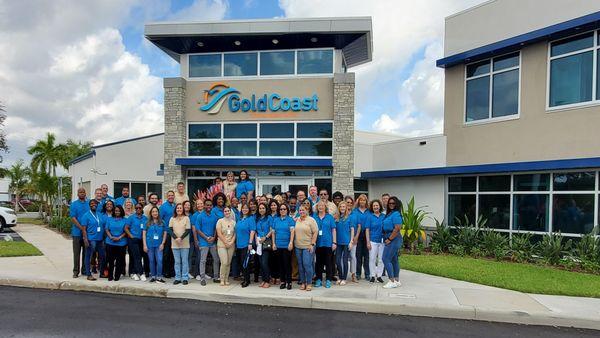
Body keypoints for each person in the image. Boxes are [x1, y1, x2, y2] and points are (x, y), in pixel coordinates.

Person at [196, 199, 220, 285]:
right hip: (203, 242)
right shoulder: (200, 216)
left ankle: (216, 277)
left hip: (212, 242)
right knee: (203, 260)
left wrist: (214, 237)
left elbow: (216, 228)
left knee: (216, 259)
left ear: (212, 206)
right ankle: (202, 278)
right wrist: (206, 238)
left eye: (210, 205)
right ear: (204, 206)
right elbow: (198, 230)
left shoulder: (214, 216)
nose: (208, 206)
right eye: (207, 205)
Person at [294, 204, 318, 291]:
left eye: (303, 210)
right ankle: (303, 282)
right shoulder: (296, 220)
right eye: (300, 210)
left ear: (307, 211)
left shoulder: (311, 220)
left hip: (308, 246)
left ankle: (309, 283)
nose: (301, 212)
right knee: (300, 265)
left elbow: (315, 232)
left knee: (307, 265)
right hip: (298, 246)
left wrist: (312, 244)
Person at [272, 203, 295, 290]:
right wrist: (274, 243)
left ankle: (289, 282)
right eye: (281, 209)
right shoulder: (276, 220)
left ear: (287, 210)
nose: (282, 211)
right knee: (280, 264)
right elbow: (273, 233)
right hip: (278, 245)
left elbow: (292, 232)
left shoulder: (290, 220)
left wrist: (291, 242)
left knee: (287, 264)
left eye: (284, 209)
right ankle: (283, 281)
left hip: (287, 246)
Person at [313, 200, 336, 288]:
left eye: (322, 205)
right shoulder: (314, 217)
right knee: (318, 263)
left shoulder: (329, 217)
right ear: (317, 207)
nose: (321, 207)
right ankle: (318, 279)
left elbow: (333, 230)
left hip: (328, 243)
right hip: (318, 243)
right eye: (319, 205)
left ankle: (328, 280)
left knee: (328, 263)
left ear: (325, 207)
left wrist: (334, 242)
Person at [382, 196, 403, 289]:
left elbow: (397, 228)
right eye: (389, 203)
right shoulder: (390, 213)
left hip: (393, 238)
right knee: (394, 260)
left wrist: (389, 239)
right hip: (390, 237)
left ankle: (391, 280)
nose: (391, 205)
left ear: (396, 204)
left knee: (385, 258)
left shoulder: (396, 214)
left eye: (393, 203)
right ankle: (397, 280)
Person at [81, 199, 104, 281]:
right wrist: (85, 239)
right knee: (89, 256)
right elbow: (84, 229)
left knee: (102, 256)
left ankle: (101, 273)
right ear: (89, 205)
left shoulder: (100, 214)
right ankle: (88, 274)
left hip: (100, 239)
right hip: (91, 239)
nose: (93, 204)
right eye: (91, 203)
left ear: (97, 205)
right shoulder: (86, 215)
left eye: (94, 203)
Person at [69, 187, 89, 278]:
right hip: (77, 233)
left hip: (87, 233)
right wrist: (81, 228)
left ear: (85, 193)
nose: (82, 193)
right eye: (80, 192)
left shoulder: (89, 203)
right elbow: (73, 218)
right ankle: (75, 271)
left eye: (83, 192)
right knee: (76, 253)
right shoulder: (73, 204)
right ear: (77, 194)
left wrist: (85, 229)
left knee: (86, 252)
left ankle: (84, 270)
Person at [170, 203, 191, 285]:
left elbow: (188, 230)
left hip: (184, 243)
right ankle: (178, 277)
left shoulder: (186, 218)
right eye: (177, 208)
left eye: (180, 208)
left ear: (183, 210)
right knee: (177, 261)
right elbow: (170, 230)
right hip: (175, 244)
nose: (179, 209)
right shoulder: (172, 219)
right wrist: (176, 238)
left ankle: (185, 277)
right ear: (175, 209)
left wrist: (181, 238)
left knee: (185, 261)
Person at [143, 206, 166, 283]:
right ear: (151, 213)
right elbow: (144, 234)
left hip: (159, 245)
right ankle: (153, 276)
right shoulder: (147, 222)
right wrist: (144, 245)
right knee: (151, 261)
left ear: (158, 213)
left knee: (159, 260)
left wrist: (163, 243)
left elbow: (165, 233)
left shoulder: (162, 222)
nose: (155, 213)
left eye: (156, 211)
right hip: (150, 245)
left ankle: (159, 277)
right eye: (153, 212)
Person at [104, 205, 128, 281]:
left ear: (121, 211)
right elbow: (107, 229)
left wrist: (119, 237)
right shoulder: (109, 219)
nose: (117, 212)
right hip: (110, 242)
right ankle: (110, 275)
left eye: (118, 210)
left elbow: (126, 231)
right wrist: (111, 236)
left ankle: (117, 275)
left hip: (121, 243)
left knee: (119, 260)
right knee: (110, 260)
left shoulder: (125, 220)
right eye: (116, 210)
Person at [125, 203, 147, 281]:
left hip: (141, 240)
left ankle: (133, 272)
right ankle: (141, 273)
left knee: (138, 256)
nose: (138, 209)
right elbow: (126, 228)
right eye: (136, 208)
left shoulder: (145, 218)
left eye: (139, 208)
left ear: (142, 209)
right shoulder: (131, 217)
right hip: (133, 240)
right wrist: (131, 236)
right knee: (136, 256)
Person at [235, 204, 256, 288]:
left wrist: (250, 243)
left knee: (245, 263)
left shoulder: (250, 219)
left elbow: (252, 231)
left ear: (249, 209)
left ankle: (247, 280)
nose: (245, 209)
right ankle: (244, 278)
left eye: (246, 208)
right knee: (241, 263)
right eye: (243, 208)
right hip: (238, 244)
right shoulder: (239, 219)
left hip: (246, 244)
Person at [365, 200, 385, 284]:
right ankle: (373, 276)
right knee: (372, 259)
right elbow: (367, 230)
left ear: (380, 206)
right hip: (373, 241)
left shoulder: (384, 216)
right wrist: (368, 242)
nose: (376, 207)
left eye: (377, 205)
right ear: (372, 208)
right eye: (374, 206)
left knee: (381, 259)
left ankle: (379, 276)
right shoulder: (370, 217)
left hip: (383, 241)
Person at [216, 207, 236, 286]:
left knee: (228, 263)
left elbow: (235, 234)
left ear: (230, 212)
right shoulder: (220, 221)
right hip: (222, 244)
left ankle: (227, 279)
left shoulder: (234, 222)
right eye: (225, 211)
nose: (227, 212)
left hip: (231, 244)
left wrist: (231, 242)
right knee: (224, 262)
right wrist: (225, 242)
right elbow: (219, 233)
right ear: (223, 212)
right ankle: (222, 279)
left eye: (228, 211)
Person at [335, 201, 354, 286]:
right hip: (338, 242)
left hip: (347, 242)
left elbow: (352, 230)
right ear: (339, 208)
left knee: (345, 260)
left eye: (344, 207)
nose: (342, 208)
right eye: (341, 207)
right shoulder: (336, 218)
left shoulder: (349, 217)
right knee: (337, 260)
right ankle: (340, 276)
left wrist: (351, 242)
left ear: (346, 208)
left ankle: (344, 278)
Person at [352, 194, 370, 281]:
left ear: (366, 201)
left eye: (364, 200)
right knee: (358, 255)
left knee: (367, 256)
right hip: (357, 235)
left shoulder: (369, 211)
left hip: (367, 235)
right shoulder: (355, 211)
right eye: (361, 200)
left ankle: (367, 273)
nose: (362, 201)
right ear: (358, 201)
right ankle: (358, 273)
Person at [255, 203, 273, 288]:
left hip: (266, 242)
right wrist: (257, 239)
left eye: (263, 208)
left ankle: (267, 281)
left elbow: (272, 230)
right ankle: (263, 280)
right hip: (258, 243)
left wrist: (265, 237)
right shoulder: (257, 219)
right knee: (261, 263)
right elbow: (255, 230)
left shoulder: (269, 218)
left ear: (266, 209)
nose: (261, 210)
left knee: (264, 262)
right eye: (260, 208)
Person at [160, 191, 176, 278]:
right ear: (167, 196)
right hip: (166, 233)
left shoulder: (175, 206)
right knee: (166, 253)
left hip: (175, 233)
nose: (171, 197)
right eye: (169, 195)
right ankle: (165, 271)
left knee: (173, 253)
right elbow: (160, 220)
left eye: (172, 195)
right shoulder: (163, 207)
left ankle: (172, 271)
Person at [345, 196, 358, 283]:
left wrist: (356, 237)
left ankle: (353, 275)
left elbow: (359, 226)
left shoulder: (355, 214)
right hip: (343, 238)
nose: (349, 204)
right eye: (347, 202)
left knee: (353, 256)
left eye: (350, 202)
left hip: (353, 238)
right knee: (343, 257)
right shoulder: (341, 213)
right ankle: (343, 274)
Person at [268, 199, 280, 284]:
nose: (273, 206)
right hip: (269, 240)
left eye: (275, 205)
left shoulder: (279, 215)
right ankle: (272, 276)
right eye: (271, 205)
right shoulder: (268, 215)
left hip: (277, 239)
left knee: (277, 259)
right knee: (271, 259)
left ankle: (278, 276)